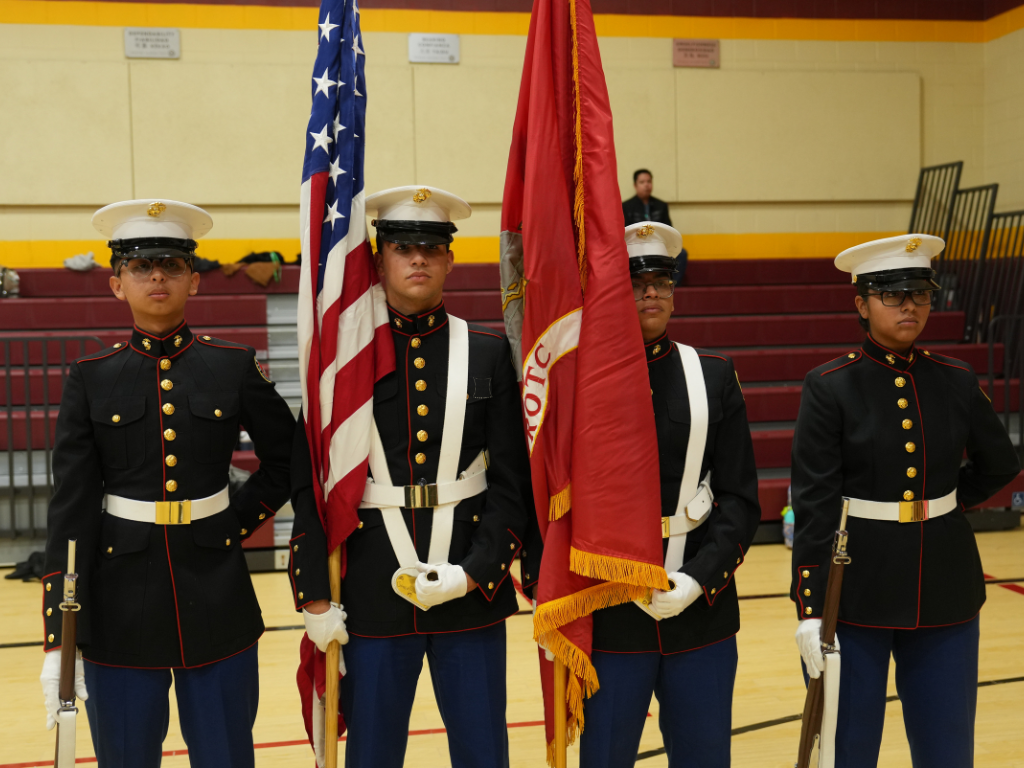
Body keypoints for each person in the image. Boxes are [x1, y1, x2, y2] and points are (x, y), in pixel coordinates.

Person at [39, 199, 295, 767]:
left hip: (218, 594)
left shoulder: (232, 367)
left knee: (226, 755)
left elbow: (287, 461)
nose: (157, 275)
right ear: (116, 284)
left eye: (172, 265)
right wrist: (60, 629)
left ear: (194, 282)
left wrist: (233, 522)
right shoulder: (91, 378)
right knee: (126, 756)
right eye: (140, 266)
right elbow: (72, 506)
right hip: (119, 603)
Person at [288, 185, 533, 768]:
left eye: (430, 246)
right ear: (379, 259)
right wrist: (315, 596)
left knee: (482, 751)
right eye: (402, 247)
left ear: (450, 258)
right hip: (371, 588)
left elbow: (511, 481)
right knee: (372, 753)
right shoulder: (341, 359)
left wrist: (476, 573)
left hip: (470, 588)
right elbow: (310, 483)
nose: (418, 258)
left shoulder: (488, 353)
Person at [791, 234, 1021, 768]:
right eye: (893, 295)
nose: (910, 306)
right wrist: (810, 605)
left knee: (947, 748)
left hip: (946, 588)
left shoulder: (955, 380)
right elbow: (816, 503)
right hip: (855, 594)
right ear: (861, 304)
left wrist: (940, 504)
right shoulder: (831, 386)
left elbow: (1001, 463)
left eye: (920, 294)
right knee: (847, 747)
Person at [578, 221, 761, 768]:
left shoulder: (714, 375)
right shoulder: (578, 379)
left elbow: (740, 500)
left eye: (661, 280)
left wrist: (697, 579)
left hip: (698, 610)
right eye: (636, 282)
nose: (651, 292)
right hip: (609, 610)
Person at [623, 170, 687, 283]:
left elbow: (669, 228)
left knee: (682, 253)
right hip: (636, 245)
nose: (646, 185)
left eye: (649, 181)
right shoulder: (626, 206)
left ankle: (672, 284)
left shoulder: (661, 205)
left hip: (658, 244)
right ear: (635, 185)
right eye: (642, 182)